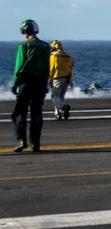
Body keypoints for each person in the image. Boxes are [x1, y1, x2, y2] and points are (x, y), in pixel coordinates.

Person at [10, 19, 48, 152]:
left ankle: (21, 140)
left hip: (26, 81)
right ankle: (35, 142)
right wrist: (45, 83)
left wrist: (15, 83)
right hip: (40, 82)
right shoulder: (45, 46)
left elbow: (19, 66)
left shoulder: (24, 45)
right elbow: (47, 67)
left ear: (25, 30)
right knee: (36, 113)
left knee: (19, 112)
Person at [49, 40, 74, 120]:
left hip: (57, 78)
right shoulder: (69, 56)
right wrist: (71, 80)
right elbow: (71, 69)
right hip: (66, 78)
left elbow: (52, 68)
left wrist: (49, 78)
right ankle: (59, 113)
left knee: (54, 95)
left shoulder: (53, 56)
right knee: (61, 97)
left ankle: (63, 107)